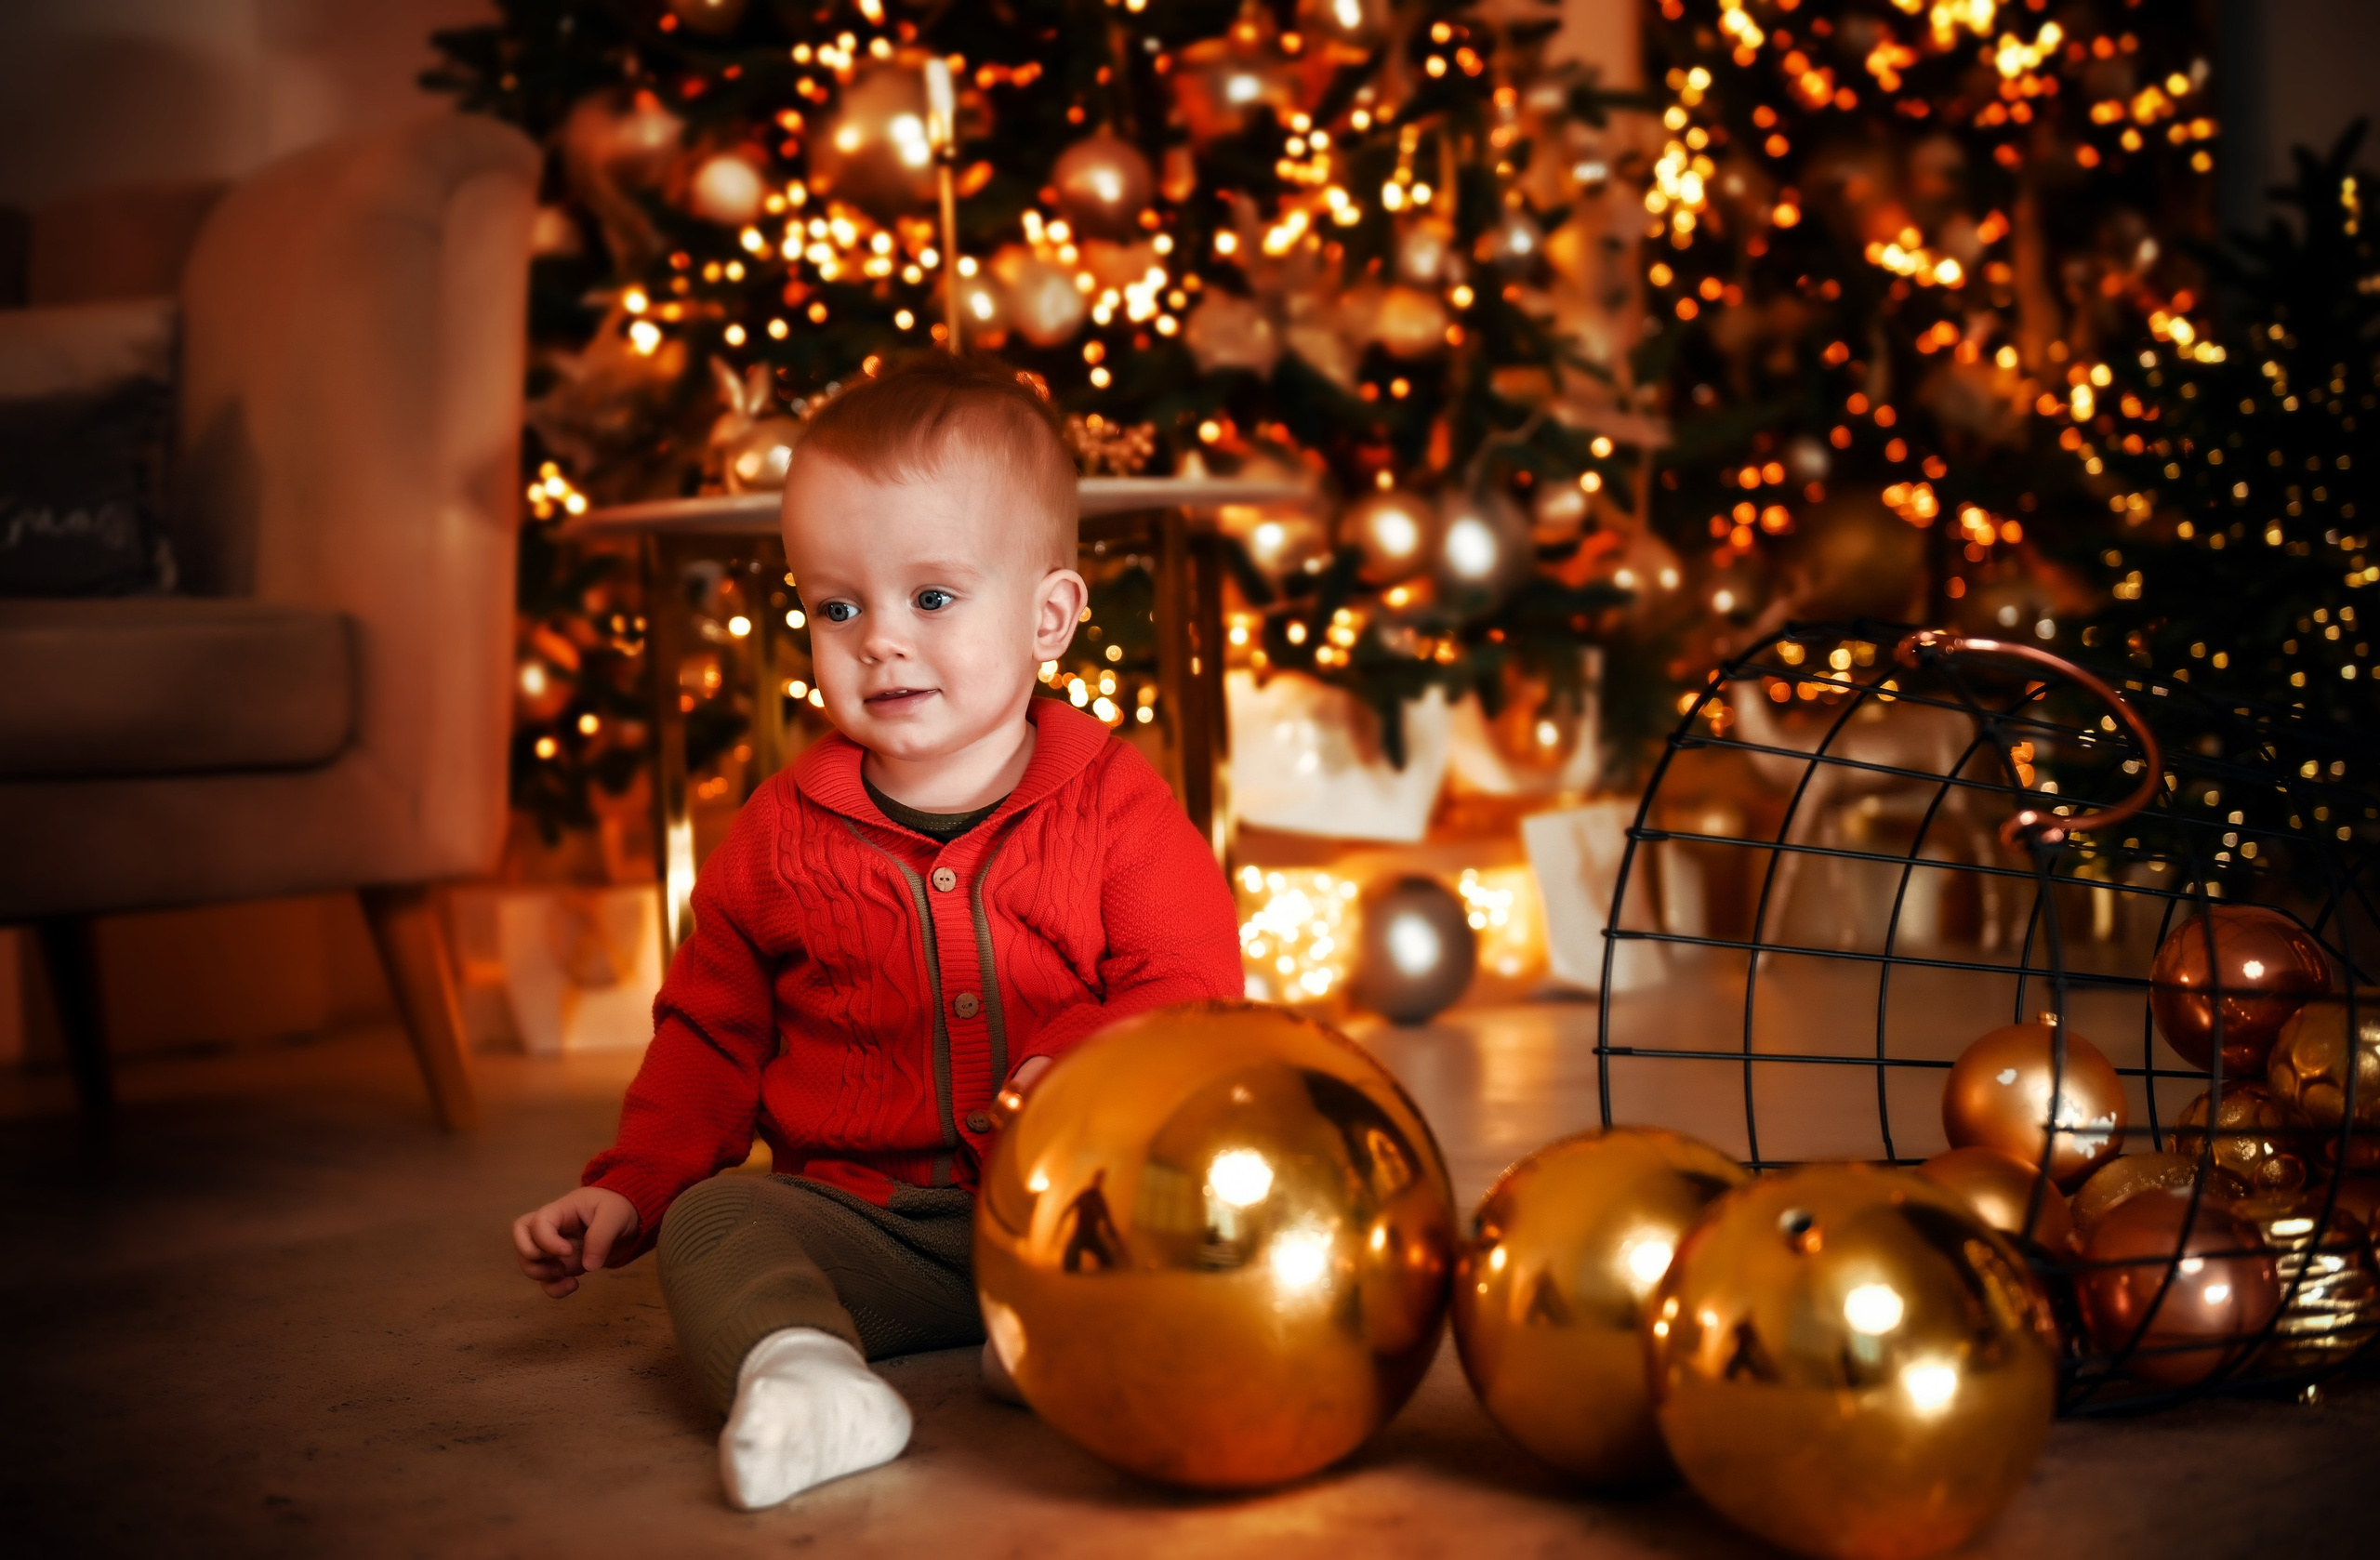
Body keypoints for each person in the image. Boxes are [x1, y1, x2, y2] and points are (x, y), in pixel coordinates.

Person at [509, 354, 1242, 1509]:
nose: (878, 641)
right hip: (867, 1224)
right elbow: (710, 1033)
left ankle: (1060, 1332)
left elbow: (1191, 979)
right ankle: (802, 1372)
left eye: (932, 598)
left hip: (1063, 1202)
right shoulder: (778, 833)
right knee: (719, 1221)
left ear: (1049, 616)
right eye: (836, 606)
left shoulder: (1114, 800)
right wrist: (637, 1183)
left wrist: (1084, 1056)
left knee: (1215, 1199)